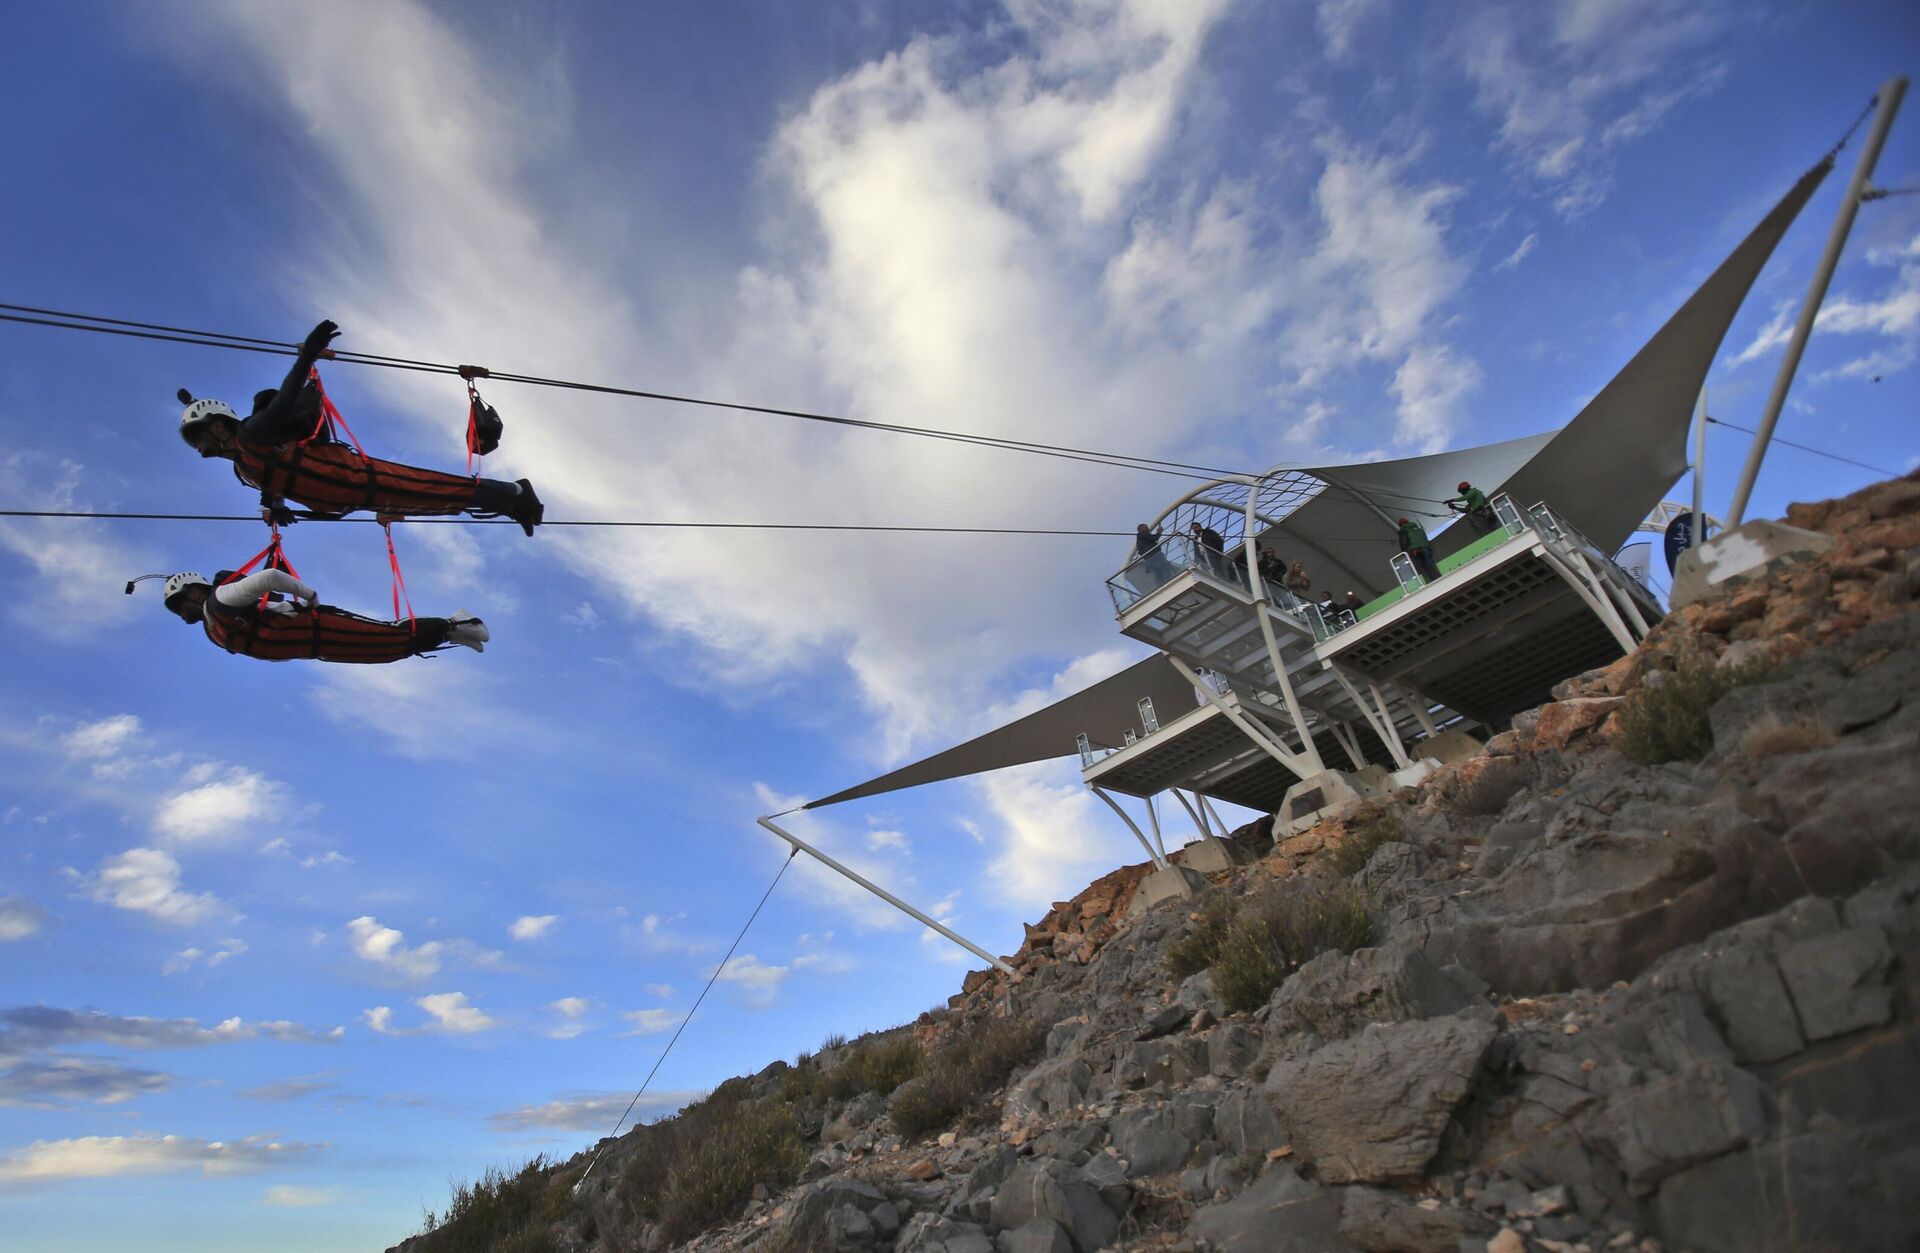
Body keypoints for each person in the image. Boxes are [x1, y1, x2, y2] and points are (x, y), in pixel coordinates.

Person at [178, 320, 545, 536]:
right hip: (353, 499)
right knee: (439, 503)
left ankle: (516, 493)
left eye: (198, 437)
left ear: (219, 425)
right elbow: (275, 480)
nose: (198, 448)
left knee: (438, 487)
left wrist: (307, 356)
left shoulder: (254, 433)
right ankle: (511, 503)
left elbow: (287, 398)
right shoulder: (245, 468)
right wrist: (274, 505)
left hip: (357, 478)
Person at [155, 568, 489, 663]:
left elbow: (270, 577)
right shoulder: (214, 628)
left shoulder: (221, 600)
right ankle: (453, 634)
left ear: (194, 592)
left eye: (178, 604)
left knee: (390, 635)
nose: (180, 613)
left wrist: (309, 596)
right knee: (387, 653)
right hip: (316, 647)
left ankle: (460, 622)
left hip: (319, 627)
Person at [1396, 516, 1441, 582]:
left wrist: (1405, 553)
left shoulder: (1403, 531)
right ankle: (1439, 578)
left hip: (1415, 551)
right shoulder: (1419, 529)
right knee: (1432, 565)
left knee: (1422, 569)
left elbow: (1404, 542)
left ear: (1401, 525)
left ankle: (1431, 581)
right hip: (1427, 549)